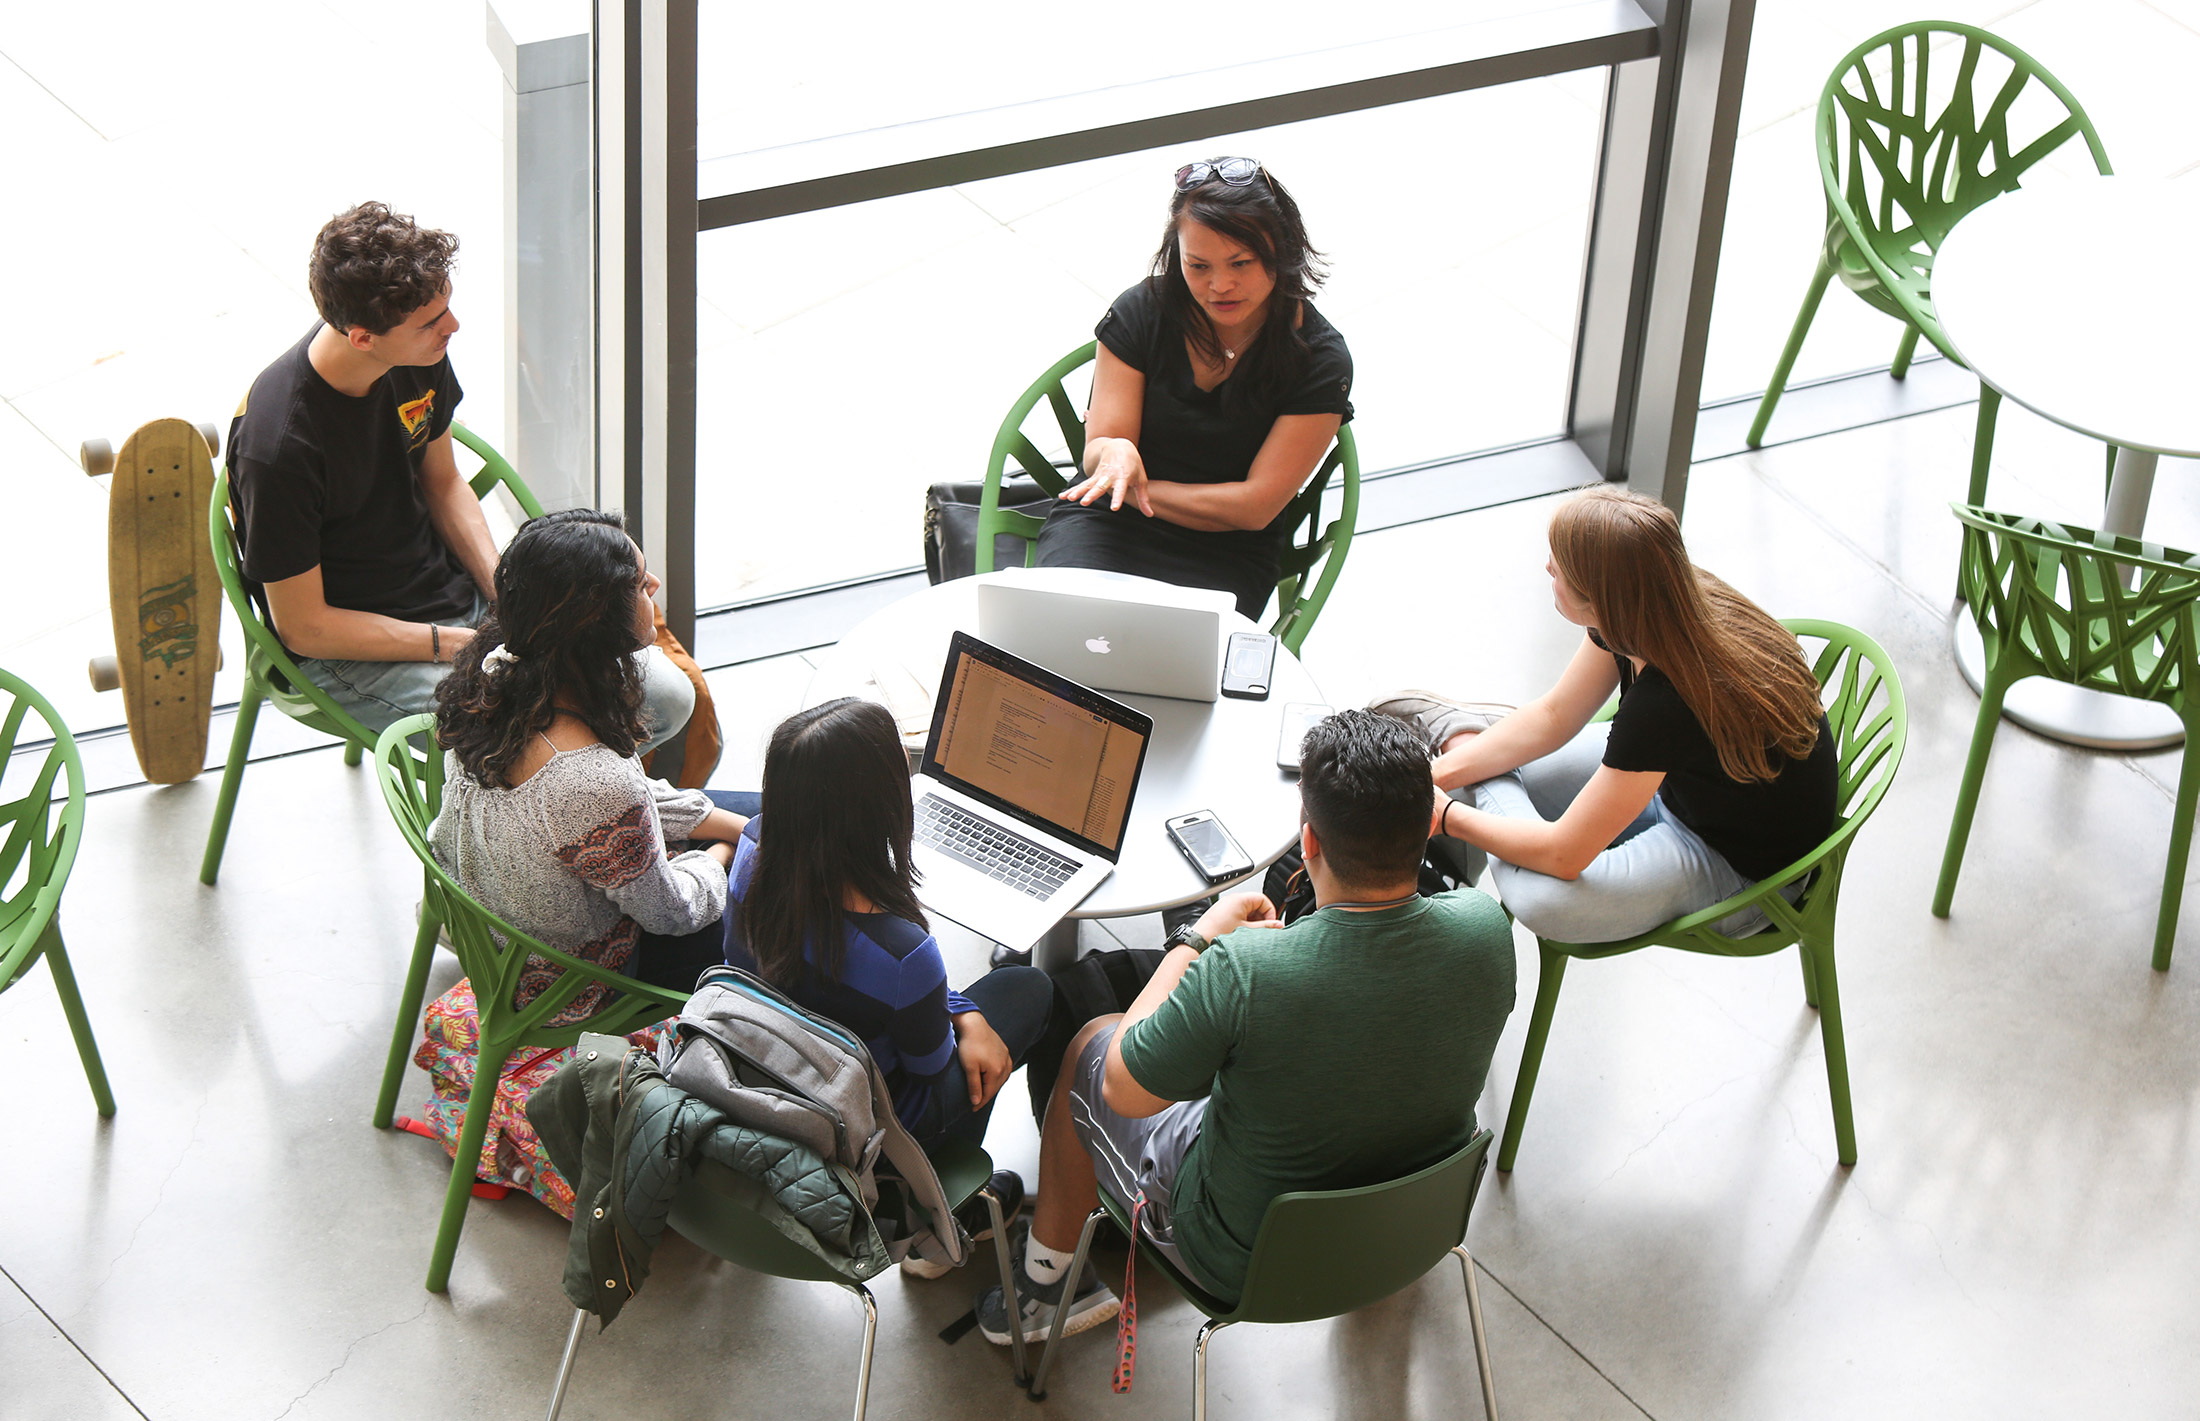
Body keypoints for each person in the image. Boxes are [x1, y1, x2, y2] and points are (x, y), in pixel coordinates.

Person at [975, 709, 1516, 1347]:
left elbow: (1124, 1088)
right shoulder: (1486, 927)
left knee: (1091, 1043)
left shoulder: (1245, 970)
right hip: (1410, 1229)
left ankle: (1042, 1288)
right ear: (1428, 826)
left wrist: (1197, 939)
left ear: (1308, 842)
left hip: (1241, 1256)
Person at [224, 200, 693, 749]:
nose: (452, 326)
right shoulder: (278, 449)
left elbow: (444, 483)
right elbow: (305, 627)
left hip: (452, 598)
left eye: (445, 307)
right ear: (362, 338)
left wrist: (509, 593)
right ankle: (557, 825)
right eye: (431, 322)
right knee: (555, 740)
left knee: (665, 697)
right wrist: (454, 644)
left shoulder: (413, 350)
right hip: (350, 652)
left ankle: (590, 821)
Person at [405, 509, 754, 1216]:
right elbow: (672, 909)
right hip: (582, 979)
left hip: (506, 935)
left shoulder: (499, 674)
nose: (652, 582)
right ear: (594, 617)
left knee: (750, 808)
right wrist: (728, 852)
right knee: (773, 895)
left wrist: (729, 821)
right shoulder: (589, 779)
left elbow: (627, 805)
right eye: (637, 578)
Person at [1383, 484, 1836, 946]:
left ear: (1598, 601)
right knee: (1475, 775)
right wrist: (1435, 777)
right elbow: (1555, 715)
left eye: (1559, 566)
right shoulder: (1655, 598)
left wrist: (1449, 815)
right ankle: (1465, 744)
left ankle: (1465, 738)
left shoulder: (1663, 701)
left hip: (1745, 868)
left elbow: (1565, 856)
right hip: (1682, 779)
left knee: (1542, 897)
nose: (1547, 566)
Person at [721, 699, 1055, 1273]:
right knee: (1028, 989)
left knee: (978, 1012)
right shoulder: (903, 953)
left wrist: (957, 1005)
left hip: (775, 1074)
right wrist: (968, 1016)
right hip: (871, 1122)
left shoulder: (751, 853)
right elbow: (929, 1069)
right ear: (879, 807)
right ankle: (933, 1210)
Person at [1032, 156, 1353, 619]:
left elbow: (1254, 508)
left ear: (1280, 252)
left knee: (1166, 673)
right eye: (1198, 265)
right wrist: (1113, 454)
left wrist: (1135, 489)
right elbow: (1100, 451)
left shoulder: (1319, 359)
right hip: (1106, 523)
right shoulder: (1143, 312)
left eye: (1241, 262)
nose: (1220, 285)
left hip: (1224, 549)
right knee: (1059, 637)